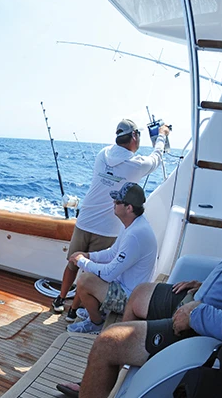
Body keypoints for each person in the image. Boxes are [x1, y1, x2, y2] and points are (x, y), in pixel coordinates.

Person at [57, 217, 222, 398]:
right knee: (139, 294)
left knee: (107, 341)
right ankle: (110, 380)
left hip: (210, 328)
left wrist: (194, 314)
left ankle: (104, 368)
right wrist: (206, 284)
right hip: (201, 299)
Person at [52, 119, 169, 320]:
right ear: (134, 137)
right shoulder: (136, 165)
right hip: (108, 227)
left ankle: (60, 300)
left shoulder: (102, 154)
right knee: (89, 271)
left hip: (85, 219)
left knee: (73, 262)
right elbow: (157, 157)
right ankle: (73, 312)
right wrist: (162, 135)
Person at [65, 182, 157, 334]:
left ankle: (96, 324)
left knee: (85, 280)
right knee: (90, 270)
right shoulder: (132, 224)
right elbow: (112, 253)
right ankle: (96, 312)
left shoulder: (135, 235)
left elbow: (108, 274)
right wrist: (88, 256)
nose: (113, 203)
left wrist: (81, 261)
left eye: (117, 201)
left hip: (131, 298)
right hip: (126, 286)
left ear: (129, 208)